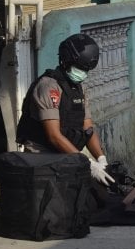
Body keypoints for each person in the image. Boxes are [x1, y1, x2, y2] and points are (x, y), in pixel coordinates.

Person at [16, 33, 114, 186]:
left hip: (66, 155)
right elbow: (54, 136)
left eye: (86, 70)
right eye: (80, 68)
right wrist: (87, 163)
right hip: (43, 156)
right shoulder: (49, 86)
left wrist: (102, 160)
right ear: (66, 61)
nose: (83, 74)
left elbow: (87, 128)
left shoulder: (78, 88)